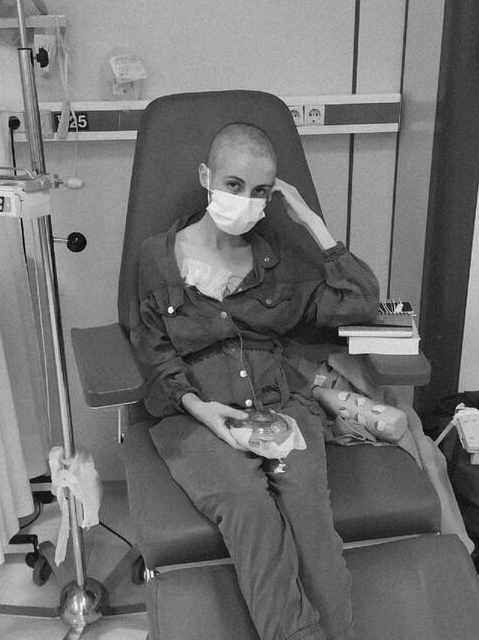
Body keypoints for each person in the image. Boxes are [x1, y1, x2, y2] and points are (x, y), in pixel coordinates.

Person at [133, 122, 379, 640]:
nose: (246, 201)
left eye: (261, 191)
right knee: (248, 506)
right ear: (206, 176)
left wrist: (314, 224)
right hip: (197, 417)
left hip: (282, 404)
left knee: (310, 517)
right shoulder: (157, 258)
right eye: (234, 185)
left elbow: (360, 302)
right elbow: (156, 356)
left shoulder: (277, 261)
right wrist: (199, 407)